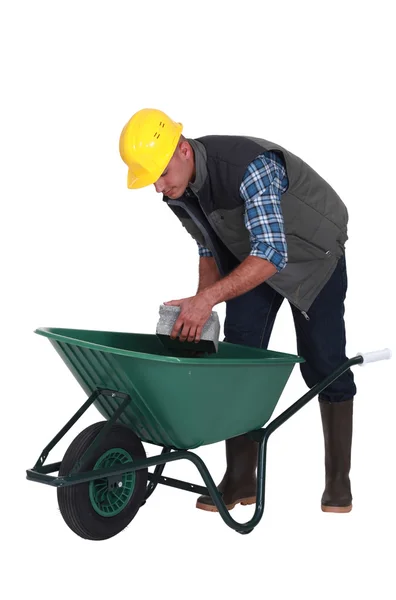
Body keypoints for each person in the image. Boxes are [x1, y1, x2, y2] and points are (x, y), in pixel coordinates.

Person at [119, 108, 356, 514]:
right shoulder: (177, 190)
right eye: (151, 180)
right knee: (239, 355)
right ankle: (241, 478)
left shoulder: (249, 166)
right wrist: (199, 305)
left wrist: (208, 300)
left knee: (324, 360)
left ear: (182, 151)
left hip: (312, 255)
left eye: (160, 174)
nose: (158, 187)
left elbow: (273, 253)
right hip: (254, 253)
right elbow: (209, 246)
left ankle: (338, 480)